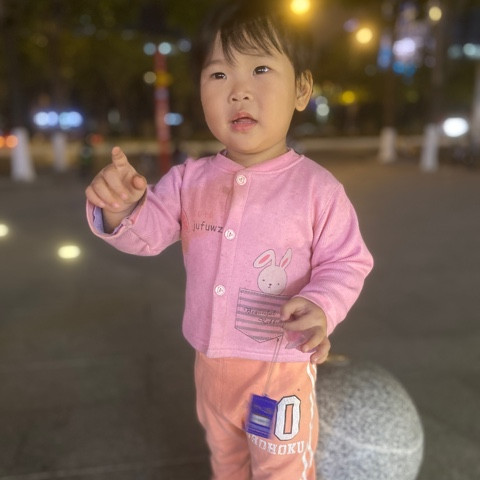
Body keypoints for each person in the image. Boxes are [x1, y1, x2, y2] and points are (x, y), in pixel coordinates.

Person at [85, 1, 373, 478]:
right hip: (210, 364)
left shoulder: (317, 189)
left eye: (260, 69)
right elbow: (147, 234)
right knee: (227, 460)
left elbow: (347, 261)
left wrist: (322, 304)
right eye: (219, 74)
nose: (238, 90)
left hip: (279, 368)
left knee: (282, 469)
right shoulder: (188, 180)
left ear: (302, 89)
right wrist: (119, 209)